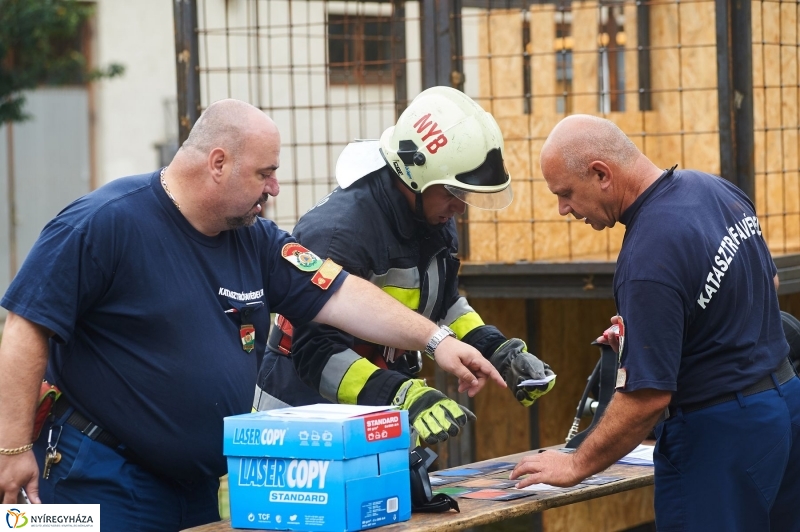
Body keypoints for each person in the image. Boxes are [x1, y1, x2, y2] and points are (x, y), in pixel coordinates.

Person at [0, 99, 505, 531]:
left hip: (190, 487)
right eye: (265, 173)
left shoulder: (255, 238)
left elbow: (343, 295)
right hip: (91, 478)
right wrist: (11, 450)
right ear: (218, 162)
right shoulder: (102, 222)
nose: (275, 188)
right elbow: (25, 327)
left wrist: (437, 341)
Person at [509, 114, 800, 531]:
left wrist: (575, 464)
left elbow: (647, 398)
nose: (563, 209)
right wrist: (660, 332)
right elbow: (765, 283)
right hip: (786, 409)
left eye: (567, 193)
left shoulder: (647, 256)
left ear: (601, 174)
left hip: (723, 437)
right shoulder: (715, 190)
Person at [254, 86, 557, 445]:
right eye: (453, 193)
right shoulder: (338, 234)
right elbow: (316, 354)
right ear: (413, 176)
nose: (460, 208)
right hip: (303, 427)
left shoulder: (431, 214)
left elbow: (443, 304)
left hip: (374, 413)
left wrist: (498, 349)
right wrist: (401, 395)